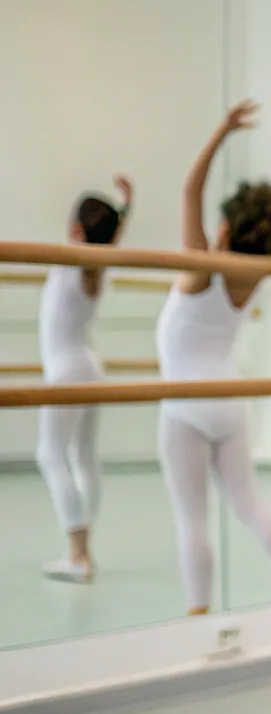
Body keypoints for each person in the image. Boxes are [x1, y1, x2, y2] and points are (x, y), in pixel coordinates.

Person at [156, 102, 271, 615]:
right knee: (249, 503)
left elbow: (188, 190)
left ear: (222, 229)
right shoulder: (255, 269)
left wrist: (221, 130)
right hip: (230, 402)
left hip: (184, 406)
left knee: (192, 518)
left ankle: (199, 610)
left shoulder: (202, 268)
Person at [37, 177, 133, 583]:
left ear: (76, 230)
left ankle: (78, 556)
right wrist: (126, 209)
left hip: (67, 371)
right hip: (90, 366)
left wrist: (123, 211)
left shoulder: (70, 257)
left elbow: (99, 236)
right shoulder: (99, 260)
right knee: (82, 457)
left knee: (50, 455)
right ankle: (83, 549)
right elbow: (106, 237)